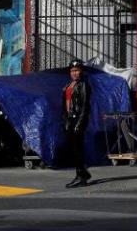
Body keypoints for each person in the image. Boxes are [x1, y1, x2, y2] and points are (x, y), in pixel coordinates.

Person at [62, 59, 91, 188]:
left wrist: (79, 123)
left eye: (77, 70)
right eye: (72, 71)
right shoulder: (69, 85)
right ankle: (82, 173)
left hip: (79, 119)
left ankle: (81, 177)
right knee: (73, 148)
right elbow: (66, 104)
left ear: (81, 72)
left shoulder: (84, 85)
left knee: (77, 148)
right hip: (70, 119)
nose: (74, 73)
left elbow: (85, 106)